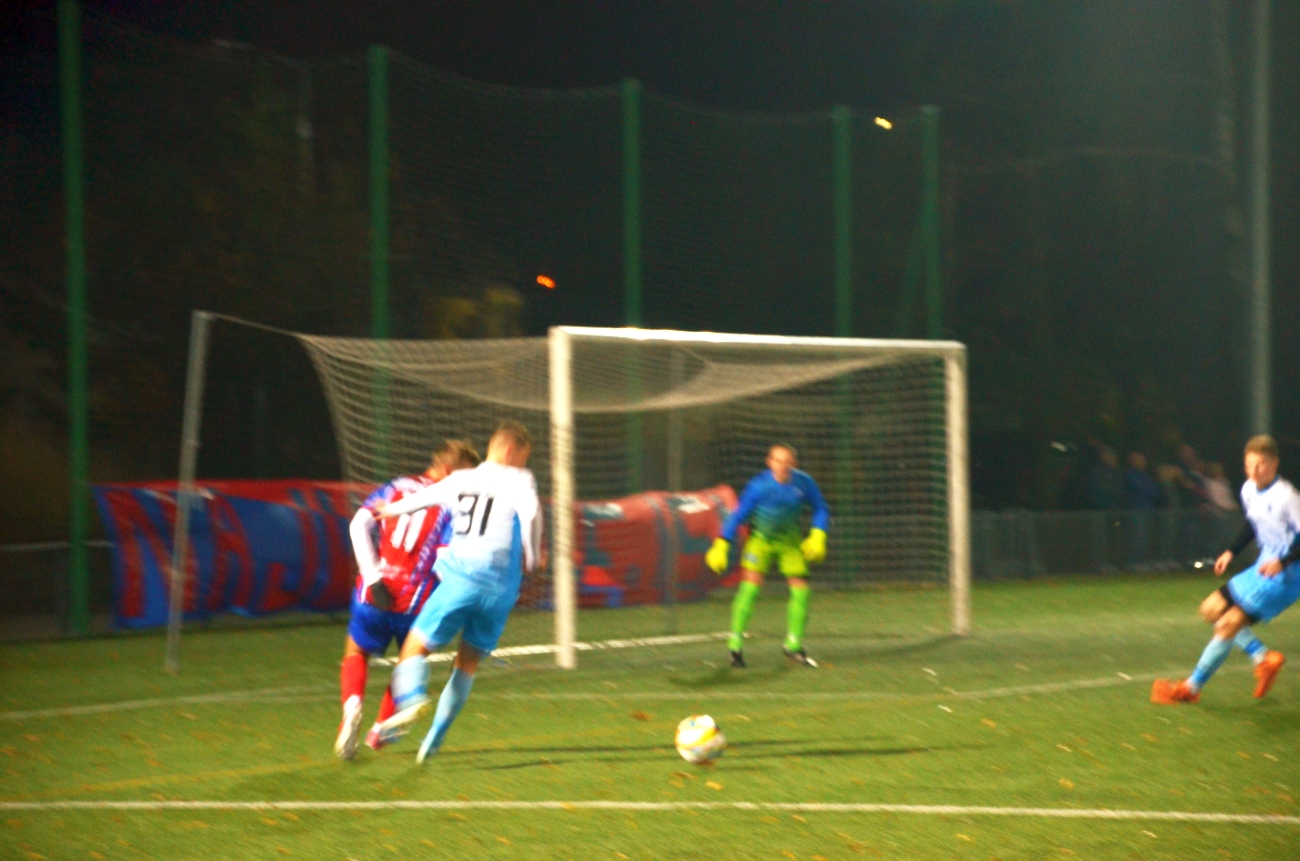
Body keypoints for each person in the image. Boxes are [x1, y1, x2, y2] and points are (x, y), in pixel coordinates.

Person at [371, 421, 541, 762]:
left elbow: (423, 499)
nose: (523, 464)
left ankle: (413, 698)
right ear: (511, 451)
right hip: (501, 591)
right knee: (467, 663)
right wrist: (534, 555)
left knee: (414, 647)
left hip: (462, 579)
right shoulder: (521, 479)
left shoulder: (462, 478)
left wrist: (388, 510)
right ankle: (437, 734)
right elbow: (533, 514)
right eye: (523, 457)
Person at [335, 439, 481, 760]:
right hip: (415, 600)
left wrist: (374, 577)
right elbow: (445, 557)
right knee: (409, 661)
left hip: (374, 592)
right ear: (448, 470)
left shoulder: (394, 487)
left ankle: (352, 708)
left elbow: (359, 524)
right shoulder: (453, 503)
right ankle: (380, 729)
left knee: (356, 651)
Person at [1151, 435, 1296, 704]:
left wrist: (1283, 562)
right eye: (1250, 465)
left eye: (1262, 464)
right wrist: (1231, 551)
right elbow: (1253, 523)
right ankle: (1262, 657)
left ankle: (1190, 689)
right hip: (1263, 566)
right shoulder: (1248, 490)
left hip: (1287, 575)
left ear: (1274, 464)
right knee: (1211, 610)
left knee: (1228, 623)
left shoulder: (1287, 496)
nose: (1255, 471)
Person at [705, 443, 830, 668]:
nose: (782, 465)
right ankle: (735, 646)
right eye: (777, 460)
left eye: (786, 461)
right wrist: (722, 543)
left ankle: (793, 645)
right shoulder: (759, 486)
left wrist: (818, 535)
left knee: (802, 592)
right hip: (761, 542)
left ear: (793, 463)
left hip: (790, 543)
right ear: (769, 462)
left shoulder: (804, 482)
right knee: (749, 590)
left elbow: (821, 508)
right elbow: (738, 516)